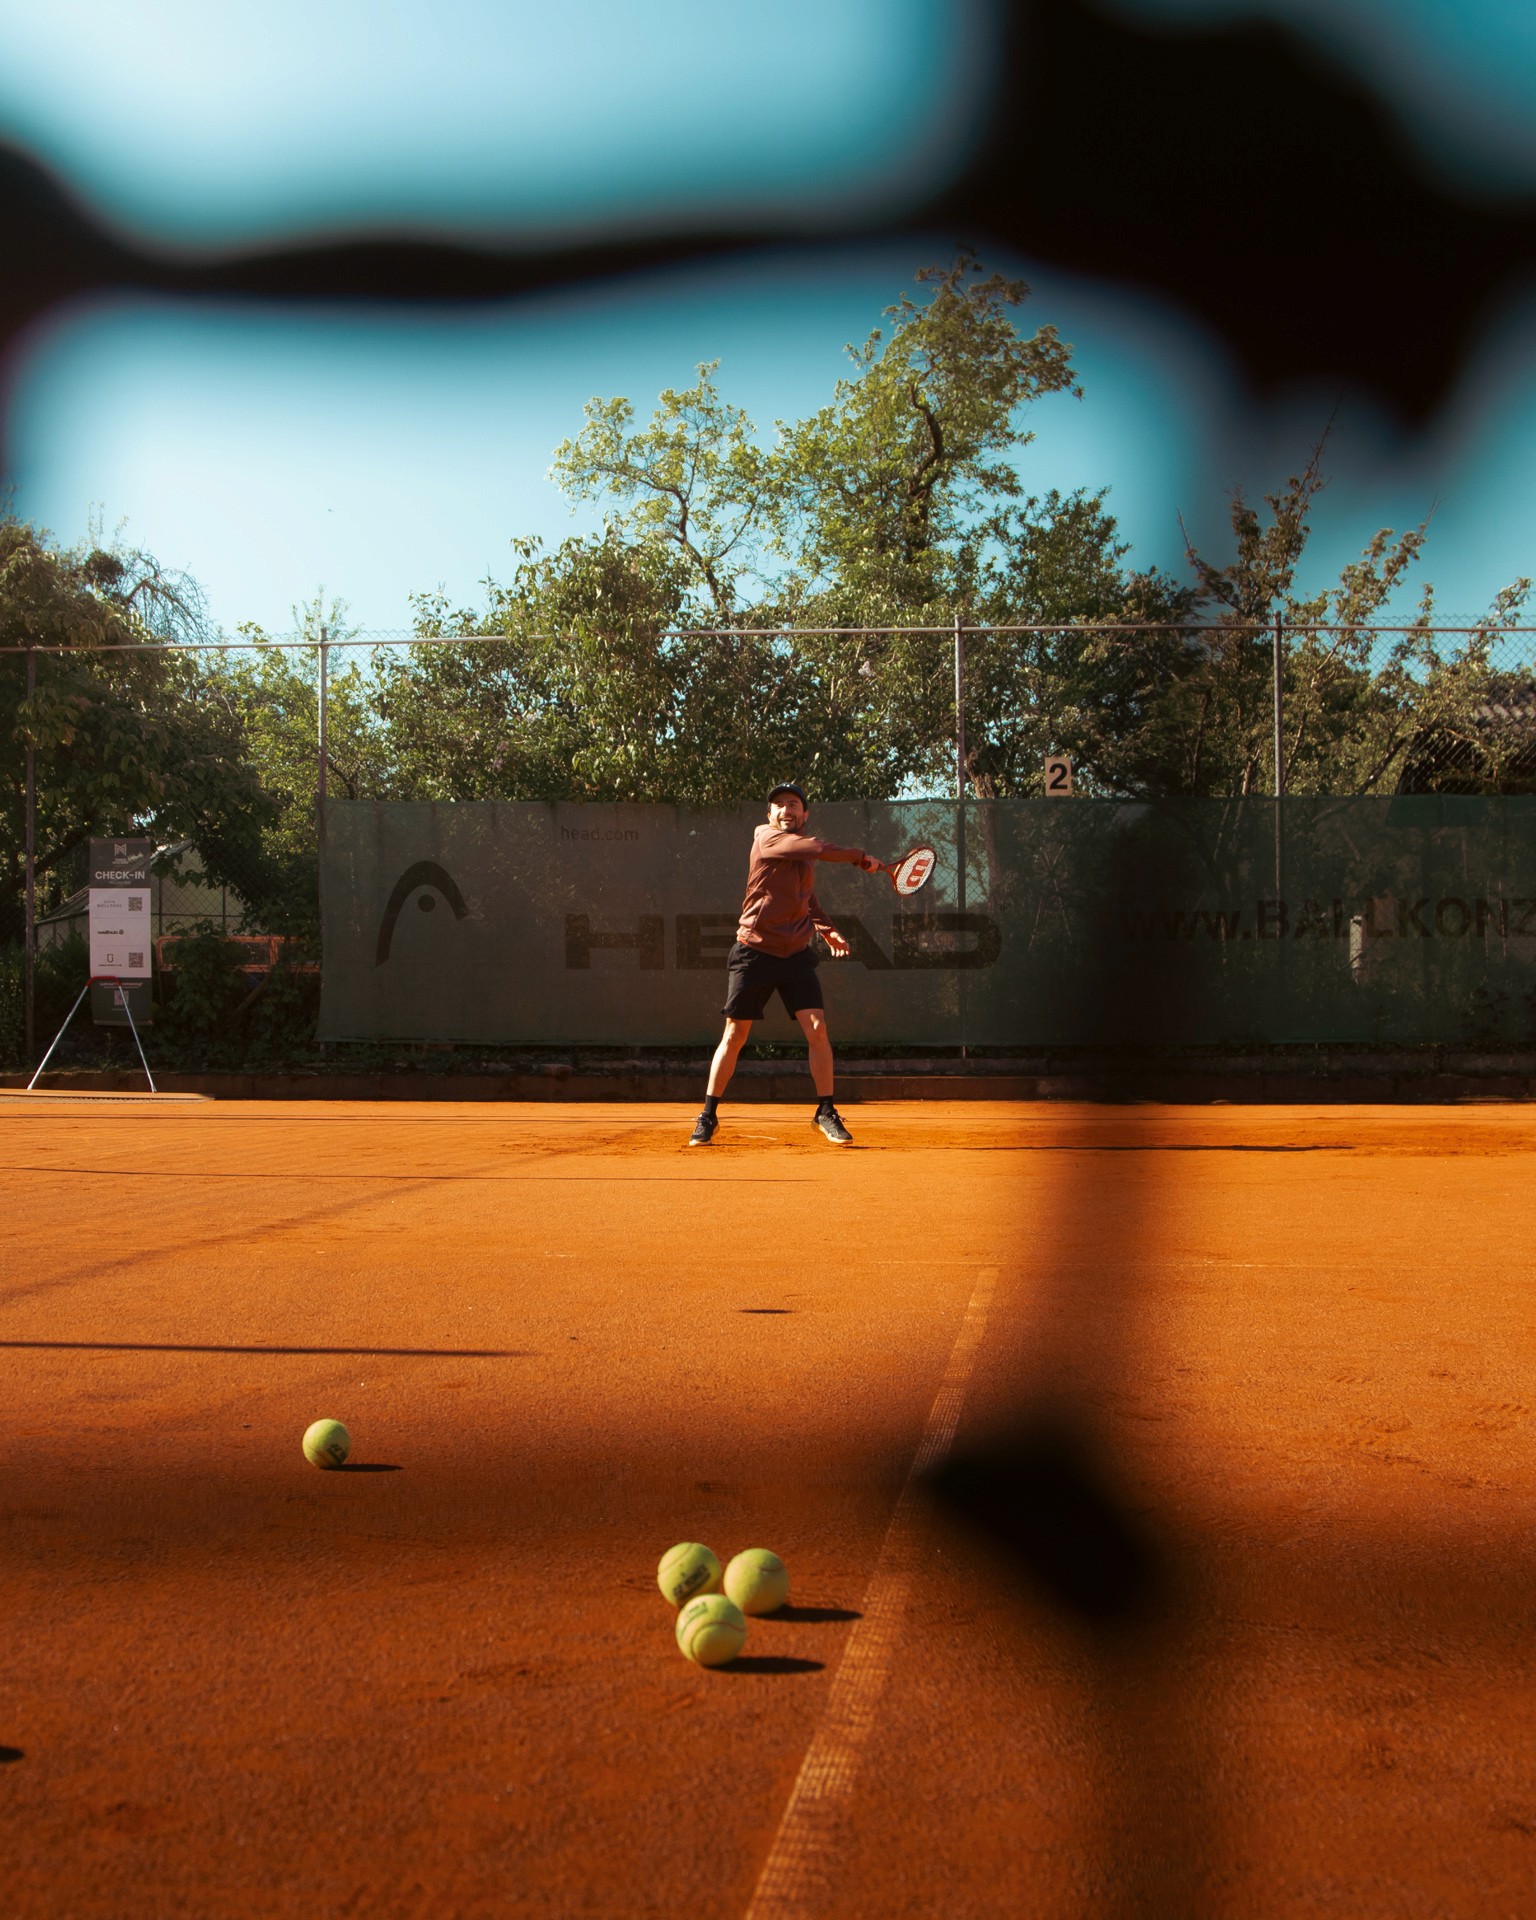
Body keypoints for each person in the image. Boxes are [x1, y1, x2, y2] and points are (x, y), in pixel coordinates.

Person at [689, 782, 885, 1147]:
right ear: (769, 815)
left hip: (795, 953)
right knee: (735, 1034)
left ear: (804, 814)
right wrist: (860, 856)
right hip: (754, 950)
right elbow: (820, 847)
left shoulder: (804, 855)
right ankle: (708, 1115)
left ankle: (825, 1112)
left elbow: (806, 898)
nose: (786, 810)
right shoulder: (767, 838)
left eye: (793, 804)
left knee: (818, 1028)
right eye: (778, 805)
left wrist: (827, 931)